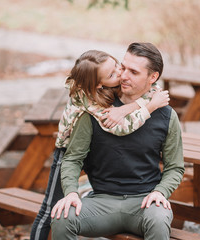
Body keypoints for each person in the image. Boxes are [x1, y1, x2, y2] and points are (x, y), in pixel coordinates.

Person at [30, 50, 170, 240]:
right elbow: (121, 128)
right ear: (98, 84)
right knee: (50, 210)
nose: (121, 74)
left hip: (94, 151)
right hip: (68, 150)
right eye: (114, 74)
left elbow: (153, 89)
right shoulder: (92, 101)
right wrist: (150, 107)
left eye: (118, 65)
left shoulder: (107, 84)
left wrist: (128, 108)